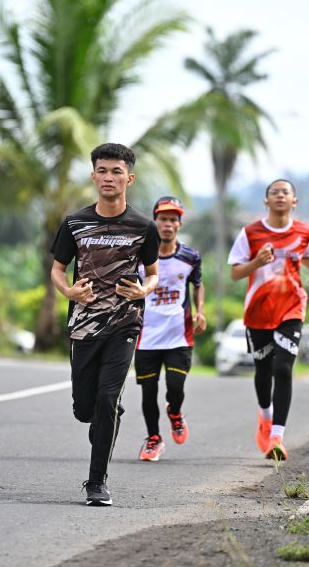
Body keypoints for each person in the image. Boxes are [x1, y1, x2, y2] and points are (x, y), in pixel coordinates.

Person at [51, 142, 160, 506]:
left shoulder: (144, 226)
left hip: (125, 324)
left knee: (107, 396)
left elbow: (154, 273)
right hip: (84, 324)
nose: (109, 177)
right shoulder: (75, 223)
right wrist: (69, 292)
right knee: (85, 409)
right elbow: (57, 269)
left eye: (116, 171)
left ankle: (96, 482)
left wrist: (143, 289)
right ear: (93, 176)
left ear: (130, 178)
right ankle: (106, 414)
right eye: (102, 170)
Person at [228, 179, 309, 461]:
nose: (280, 196)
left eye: (285, 192)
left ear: (294, 201)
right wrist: (256, 263)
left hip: (291, 308)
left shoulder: (303, 232)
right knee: (263, 372)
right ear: (266, 201)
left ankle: (277, 436)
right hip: (258, 312)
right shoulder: (251, 233)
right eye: (274, 192)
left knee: (283, 369)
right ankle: (265, 416)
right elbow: (235, 273)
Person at [135, 196, 206, 461]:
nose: (168, 224)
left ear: (179, 224)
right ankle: (154, 438)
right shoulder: (140, 256)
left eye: (173, 219)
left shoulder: (190, 257)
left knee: (175, 386)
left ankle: (175, 412)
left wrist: (200, 311)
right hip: (146, 336)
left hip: (179, 336)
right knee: (148, 391)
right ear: (154, 222)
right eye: (163, 219)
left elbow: (198, 284)